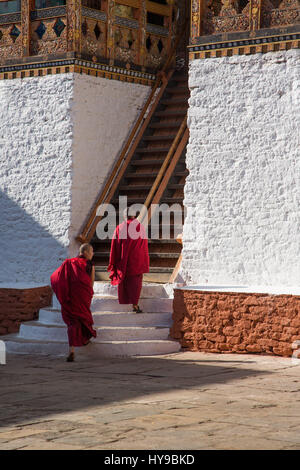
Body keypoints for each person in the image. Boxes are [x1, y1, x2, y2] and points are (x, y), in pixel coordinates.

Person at [50, 243, 97, 362]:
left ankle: (71, 350)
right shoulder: (89, 264)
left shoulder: (68, 263)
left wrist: (61, 292)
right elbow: (90, 284)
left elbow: (55, 276)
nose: (93, 254)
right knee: (83, 318)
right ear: (85, 252)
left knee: (72, 323)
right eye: (91, 251)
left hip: (69, 298)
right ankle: (85, 339)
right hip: (82, 297)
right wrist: (89, 294)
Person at [108, 208, 149, 313]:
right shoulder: (140, 227)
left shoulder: (120, 228)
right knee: (136, 282)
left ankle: (125, 300)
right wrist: (143, 260)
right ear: (134, 216)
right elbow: (144, 245)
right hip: (137, 260)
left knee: (125, 281)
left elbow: (115, 246)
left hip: (124, 261)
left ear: (125, 216)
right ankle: (135, 304)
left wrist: (114, 261)